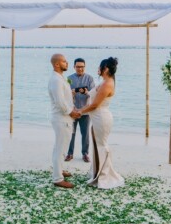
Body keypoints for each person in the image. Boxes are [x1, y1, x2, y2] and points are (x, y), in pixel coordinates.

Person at [77, 57, 124, 189]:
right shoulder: (105, 82)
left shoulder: (107, 84)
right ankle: (97, 171)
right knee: (98, 145)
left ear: (106, 69)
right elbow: (93, 100)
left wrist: (80, 111)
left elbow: (95, 105)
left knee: (101, 146)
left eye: (100, 67)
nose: (98, 69)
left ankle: (104, 174)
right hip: (97, 118)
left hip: (101, 118)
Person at [47, 53, 81, 188]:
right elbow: (60, 101)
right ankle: (57, 179)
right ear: (56, 64)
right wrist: (71, 112)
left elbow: (64, 97)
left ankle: (59, 170)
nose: (66, 63)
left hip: (64, 118)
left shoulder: (60, 78)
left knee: (62, 147)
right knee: (60, 148)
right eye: (64, 61)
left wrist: (72, 98)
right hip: (61, 118)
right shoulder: (55, 79)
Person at [66, 58, 95, 163]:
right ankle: (69, 153)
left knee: (85, 134)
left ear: (84, 67)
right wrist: (72, 93)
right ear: (74, 67)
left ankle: (85, 154)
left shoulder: (89, 79)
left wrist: (86, 92)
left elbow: (93, 95)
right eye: (78, 67)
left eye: (82, 67)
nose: (80, 69)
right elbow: (64, 95)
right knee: (71, 133)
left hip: (85, 111)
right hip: (72, 111)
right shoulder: (69, 79)